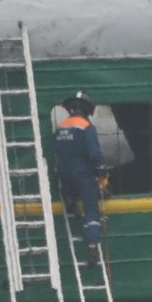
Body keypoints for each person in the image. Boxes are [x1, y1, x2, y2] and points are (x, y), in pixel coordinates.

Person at [51, 95, 109, 266]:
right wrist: (102, 174)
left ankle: (70, 203)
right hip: (83, 175)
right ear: (87, 110)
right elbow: (94, 154)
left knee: (73, 199)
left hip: (64, 175)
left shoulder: (61, 128)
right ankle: (92, 250)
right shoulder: (87, 127)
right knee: (92, 211)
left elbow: (57, 152)